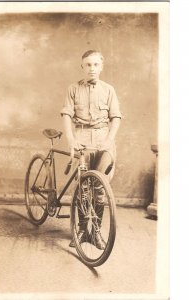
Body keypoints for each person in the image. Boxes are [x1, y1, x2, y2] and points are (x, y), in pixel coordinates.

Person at [60, 50, 122, 249]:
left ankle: (95, 233)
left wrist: (109, 140)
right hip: (83, 139)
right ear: (82, 67)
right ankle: (81, 230)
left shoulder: (109, 90)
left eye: (95, 65)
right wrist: (71, 140)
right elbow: (67, 115)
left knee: (100, 187)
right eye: (88, 65)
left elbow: (116, 118)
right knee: (84, 187)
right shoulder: (73, 89)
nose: (92, 69)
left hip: (104, 139)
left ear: (101, 67)